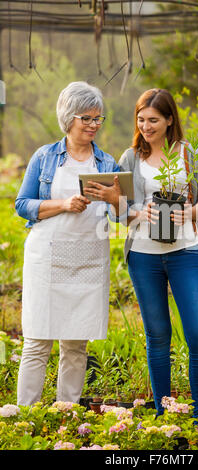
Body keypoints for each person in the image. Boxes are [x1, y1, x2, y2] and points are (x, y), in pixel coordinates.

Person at [90, 88, 198, 424]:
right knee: (158, 335)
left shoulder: (189, 154)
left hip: (185, 253)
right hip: (143, 256)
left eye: (154, 120)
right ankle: (163, 416)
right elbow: (116, 212)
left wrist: (190, 213)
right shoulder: (130, 158)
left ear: (170, 119)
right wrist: (134, 212)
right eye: (141, 119)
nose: (146, 126)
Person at [15, 81, 121, 406]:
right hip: (46, 259)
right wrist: (63, 205)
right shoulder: (45, 157)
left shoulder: (106, 164)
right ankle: (26, 418)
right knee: (37, 341)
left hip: (88, 260)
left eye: (98, 118)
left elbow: (122, 217)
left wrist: (116, 198)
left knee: (75, 344)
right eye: (86, 118)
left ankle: (67, 416)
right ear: (68, 118)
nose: (93, 125)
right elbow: (22, 204)